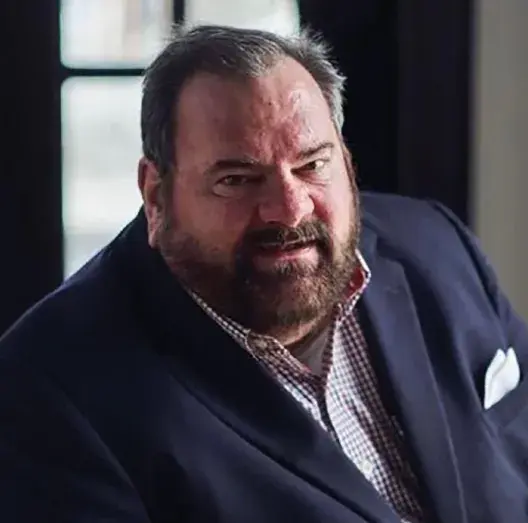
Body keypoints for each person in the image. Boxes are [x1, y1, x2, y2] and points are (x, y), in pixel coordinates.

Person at [0, 24, 527, 523]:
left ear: (345, 162)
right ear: (157, 196)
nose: (290, 210)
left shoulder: (436, 245)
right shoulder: (48, 390)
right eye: (237, 179)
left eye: (312, 165)